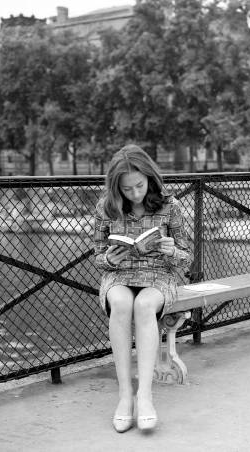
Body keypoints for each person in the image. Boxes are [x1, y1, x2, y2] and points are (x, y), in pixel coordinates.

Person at [93, 144, 191, 433]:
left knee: (144, 305)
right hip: (119, 274)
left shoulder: (170, 206)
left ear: (150, 177)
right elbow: (98, 255)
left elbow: (188, 257)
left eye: (139, 185)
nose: (135, 193)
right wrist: (108, 258)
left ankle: (144, 396)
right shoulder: (105, 208)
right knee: (122, 303)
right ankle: (125, 396)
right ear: (116, 188)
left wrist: (172, 250)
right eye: (127, 189)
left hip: (160, 274)